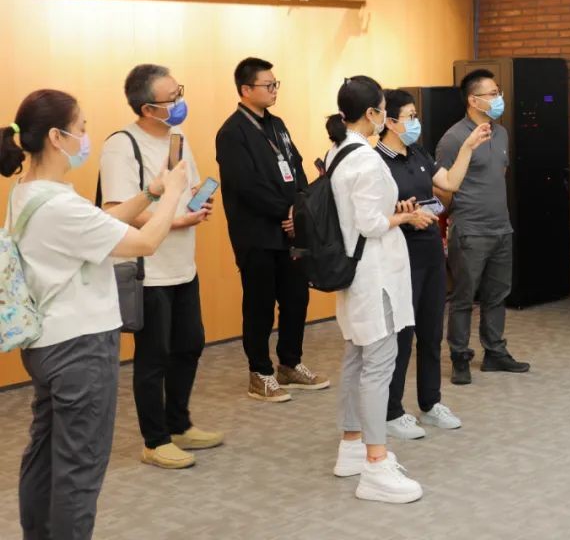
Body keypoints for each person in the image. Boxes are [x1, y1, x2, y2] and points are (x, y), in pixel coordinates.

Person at [1, 89, 189, 540]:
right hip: (80, 349)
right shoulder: (60, 207)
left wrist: (150, 192)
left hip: (49, 344)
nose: (85, 137)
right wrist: (174, 194)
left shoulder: (28, 194)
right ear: (56, 137)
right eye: (81, 128)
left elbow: (104, 227)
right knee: (79, 468)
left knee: (46, 455)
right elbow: (144, 243)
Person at [99, 64, 223, 470]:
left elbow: (188, 186)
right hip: (147, 270)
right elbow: (118, 209)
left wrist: (198, 202)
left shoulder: (177, 137)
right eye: (172, 98)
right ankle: (155, 441)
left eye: (179, 92)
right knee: (154, 356)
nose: (180, 102)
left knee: (190, 344)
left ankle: (180, 424)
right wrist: (176, 219)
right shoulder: (121, 146)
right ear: (148, 108)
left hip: (183, 264)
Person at [326, 77, 431, 503]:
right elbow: (371, 223)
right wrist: (405, 217)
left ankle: (351, 444)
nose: (386, 116)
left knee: (357, 358)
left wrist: (394, 211)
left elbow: (360, 213)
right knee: (378, 366)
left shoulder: (339, 151)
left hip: (357, 275)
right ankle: (375, 463)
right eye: (384, 109)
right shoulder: (367, 160)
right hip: (375, 275)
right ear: (371, 113)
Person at [376, 89, 491, 440]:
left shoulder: (418, 152)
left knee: (430, 333)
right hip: (400, 257)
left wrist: (468, 147)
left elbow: (449, 183)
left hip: (429, 253)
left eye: (415, 115)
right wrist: (401, 215)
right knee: (402, 336)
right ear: (389, 122)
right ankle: (391, 411)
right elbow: (371, 214)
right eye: (409, 116)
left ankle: (430, 403)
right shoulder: (376, 161)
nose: (416, 122)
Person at [215, 57, 328, 402]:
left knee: (297, 299)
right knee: (260, 304)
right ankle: (260, 372)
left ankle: (289, 364)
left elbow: (297, 167)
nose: (275, 90)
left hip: (290, 231)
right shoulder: (232, 132)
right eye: (268, 85)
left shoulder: (277, 125)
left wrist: (300, 208)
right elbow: (246, 185)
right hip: (257, 235)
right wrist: (285, 210)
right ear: (246, 90)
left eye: (276, 84)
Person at [436, 69, 530, 386]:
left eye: (498, 92)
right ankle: (459, 357)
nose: (498, 98)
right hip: (470, 230)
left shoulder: (500, 133)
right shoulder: (453, 138)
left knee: (497, 295)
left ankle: (495, 352)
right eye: (492, 94)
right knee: (464, 297)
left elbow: (498, 175)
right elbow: (441, 186)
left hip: (501, 228)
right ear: (473, 100)